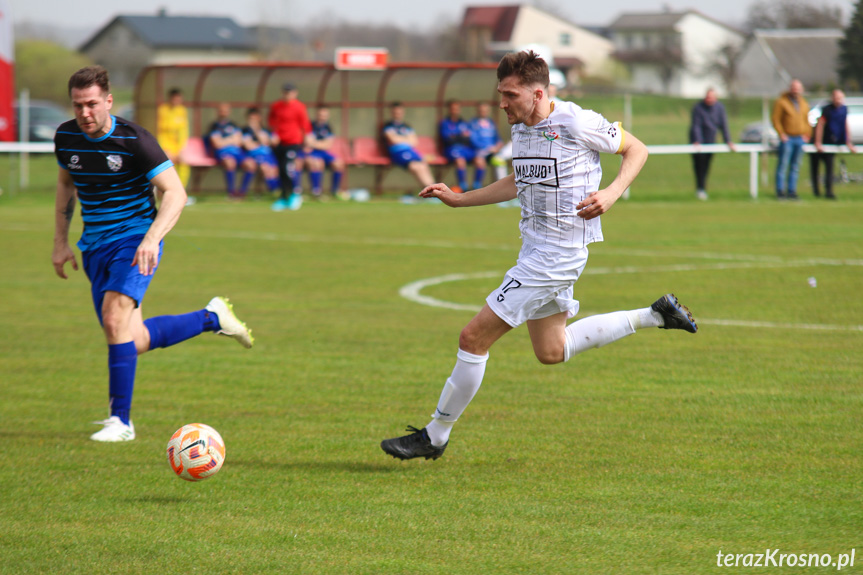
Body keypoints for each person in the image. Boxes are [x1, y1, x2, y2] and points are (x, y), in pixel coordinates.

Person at [380, 51, 698, 462]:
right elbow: (518, 181)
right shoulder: (522, 127)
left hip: (556, 256)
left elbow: (637, 149)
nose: (502, 103)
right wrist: (458, 200)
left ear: (538, 92)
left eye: (510, 94)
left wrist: (611, 193)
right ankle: (655, 315)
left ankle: (435, 435)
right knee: (552, 350)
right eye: (500, 94)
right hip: (536, 249)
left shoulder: (575, 121)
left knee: (473, 337)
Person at [52, 66, 253, 442]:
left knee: (114, 321)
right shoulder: (65, 137)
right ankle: (212, 317)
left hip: (134, 241)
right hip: (94, 246)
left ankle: (121, 422)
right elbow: (66, 185)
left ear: (108, 101)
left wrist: (151, 238)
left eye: (92, 104)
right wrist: (60, 241)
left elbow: (175, 193)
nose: (85, 113)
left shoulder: (135, 140)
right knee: (133, 338)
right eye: (78, 105)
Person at [268, 83, 311, 211]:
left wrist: (307, 140)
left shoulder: (299, 107)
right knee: (281, 170)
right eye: (285, 92)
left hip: (293, 142)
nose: (287, 95)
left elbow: (305, 125)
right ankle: (283, 197)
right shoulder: (276, 106)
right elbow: (272, 122)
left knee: (288, 168)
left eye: (290, 92)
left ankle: (295, 194)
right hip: (279, 143)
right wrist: (273, 135)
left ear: (295, 93)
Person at [689, 88, 736, 201]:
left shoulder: (720, 108)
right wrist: (697, 140)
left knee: (706, 165)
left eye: (711, 97)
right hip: (698, 143)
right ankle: (700, 189)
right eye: (707, 96)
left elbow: (723, 125)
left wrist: (728, 140)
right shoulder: (698, 108)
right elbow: (696, 125)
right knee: (699, 166)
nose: (709, 99)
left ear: (715, 98)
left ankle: (703, 189)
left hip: (711, 141)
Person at [810, 89, 857, 199]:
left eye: (840, 98)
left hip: (832, 143)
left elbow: (845, 125)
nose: (838, 100)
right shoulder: (827, 110)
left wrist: (848, 142)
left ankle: (829, 192)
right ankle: (816, 192)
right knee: (815, 168)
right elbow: (820, 125)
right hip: (823, 142)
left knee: (829, 168)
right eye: (836, 97)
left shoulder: (844, 110)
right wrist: (818, 142)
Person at [382, 101, 435, 189]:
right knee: (415, 166)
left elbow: (414, 142)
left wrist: (400, 139)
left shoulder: (407, 126)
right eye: (395, 112)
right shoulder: (388, 126)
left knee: (423, 165)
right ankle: (430, 191)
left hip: (410, 151)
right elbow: (393, 140)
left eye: (399, 112)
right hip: (398, 153)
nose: (397, 114)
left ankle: (434, 190)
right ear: (391, 112)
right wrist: (406, 139)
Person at [771, 79, 810, 200]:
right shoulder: (782, 101)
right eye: (793, 88)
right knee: (783, 165)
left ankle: (792, 191)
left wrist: (807, 133)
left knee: (795, 166)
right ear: (790, 88)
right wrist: (781, 133)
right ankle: (780, 191)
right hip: (787, 138)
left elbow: (807, 120)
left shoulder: (803, 103)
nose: (795, 90)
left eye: (798, 88)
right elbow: (775, 119)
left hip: (799, 138)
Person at [239, 106, 281, 198]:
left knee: (274, 169)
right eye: (251, 119)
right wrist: (259, 139)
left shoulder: (266, 130)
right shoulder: (245, 130)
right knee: (264, 167)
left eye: (255, 118)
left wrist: (259, 139)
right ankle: (243, 192)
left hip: (268, 155)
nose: (253, 121)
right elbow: (248, 146)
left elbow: (272, 142)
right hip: (253, 155)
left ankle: (277, 191)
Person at [304, 106, 346, 199]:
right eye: (320, 115)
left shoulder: (328, 127)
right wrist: (320, 143)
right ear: (317, 114)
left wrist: (314, 143)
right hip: (312, 153)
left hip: (324, 152)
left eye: (325, 115)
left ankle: (335, 191)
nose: (322, 117)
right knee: (317, 163)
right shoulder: (310, 126)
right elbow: (307, 142)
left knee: (339, 163)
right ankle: (316, 192)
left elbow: (328, 145)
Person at [206, 102, 245, 198]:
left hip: (237, 152)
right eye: (222, 111)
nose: (223, 113)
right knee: (230, 162)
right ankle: (231, 192)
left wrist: (224, 140)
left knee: (251, 164)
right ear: (218, 112)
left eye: (226, 111)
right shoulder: (214, 126)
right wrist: (231, 139)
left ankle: (242, 192)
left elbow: (239, 142)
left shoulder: (234, 125)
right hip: (222, 153)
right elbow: (217, 144)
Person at [439, 99, 478, 192]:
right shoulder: (445, 123)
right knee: (460, 161)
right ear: (449, 110)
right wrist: (461, 136)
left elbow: (468, 138)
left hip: (464, 148)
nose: (455, 110)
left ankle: (477, 186)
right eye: (453, 109)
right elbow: (447, 139)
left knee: (480, 160)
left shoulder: (463, 122)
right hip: (451, 149)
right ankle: (463, 187)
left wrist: (456, 136)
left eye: (457, 108)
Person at [156, 88, 190, 188]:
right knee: (168, 163)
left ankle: (181, 189)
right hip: (166, 144)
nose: (177, 101)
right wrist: (164, 147)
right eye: (175, 99)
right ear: (170, 98)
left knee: (184, 162)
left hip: (177, 146)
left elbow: (183, 131)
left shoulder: (182, 110)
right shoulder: (162, 110)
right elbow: (160, 131)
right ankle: (168, 189)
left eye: (179, 99)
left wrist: (182, 148)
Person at [469, 101, 505, 190]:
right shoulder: (473, 123)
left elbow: (498, 138)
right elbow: (473, 140)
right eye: (481, 110)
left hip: (493, 152)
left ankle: (501, 188)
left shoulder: (491, 123)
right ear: (478, 111)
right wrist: (488, 148)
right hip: (479, 151)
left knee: (500, 161)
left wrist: (498, 145)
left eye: (485, 110)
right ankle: (477, 187)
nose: (483, 112)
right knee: (480, 162)